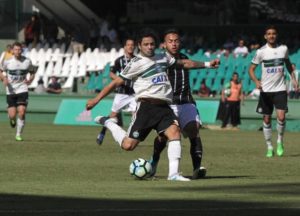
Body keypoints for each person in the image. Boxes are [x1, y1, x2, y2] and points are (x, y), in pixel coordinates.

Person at [86, 29, 219, 181]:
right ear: (139, 46)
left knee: (174, 133)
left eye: (152, 44)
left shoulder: (162, 58)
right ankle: (108, 123)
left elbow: (184, 63)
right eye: (146, 44)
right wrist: (96, 100)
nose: (149, 47)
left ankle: (173, 174)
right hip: (146, 108)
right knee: (128, 145)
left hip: (164, 108)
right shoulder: (135, 63)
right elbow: (116, 82)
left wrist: (208, 64)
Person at [149, 29, 216, 179]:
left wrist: (208, 64)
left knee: (194, 131)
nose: (174, 44)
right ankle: (154, 161)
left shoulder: (184, 58)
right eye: (170, 41)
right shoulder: (159, 61)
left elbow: (189, 63)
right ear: (164, 44)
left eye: (176, 41)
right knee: (163, 137)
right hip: (167, 105)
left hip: (186, 102)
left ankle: (196, 169)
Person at [249, 25, 298, 158]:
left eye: (273, 33)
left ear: (276, 35)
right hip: (266, 91)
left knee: (281, 117)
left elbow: (288, 65)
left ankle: (280, 142)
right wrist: (256, 82)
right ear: (265, 36)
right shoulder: (261, 52)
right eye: (269, 34)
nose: (271, 36)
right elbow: (251, 69)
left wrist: (294, 79)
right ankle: (269, 146)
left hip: (280, 89)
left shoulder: (283, 49)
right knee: (266, 119)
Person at [96, 38, 137, 145]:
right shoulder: (119, 60)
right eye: (128, 45)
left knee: (136, 115)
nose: (130, 47)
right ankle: (102, 132)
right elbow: (111, 73)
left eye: (132, 45)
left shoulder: (137, 60)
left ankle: (129, 137)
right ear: (125, 47)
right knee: (112, 116)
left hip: (134, 93)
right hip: (122, 93)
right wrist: (121, 81)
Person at [0, 42, 35, 141]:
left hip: (22, 89)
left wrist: (30, 80)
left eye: (19, 49)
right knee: (12, 114)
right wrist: (4, 79)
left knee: (22, 112)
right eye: (15, 49)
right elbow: (0, 71)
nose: (17, 51)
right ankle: (12, 119)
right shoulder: (7, 61)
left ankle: (18, 134)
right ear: (12, 50)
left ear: (22, 50)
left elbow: (32, 72)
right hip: (10, 90)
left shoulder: (27, 61)